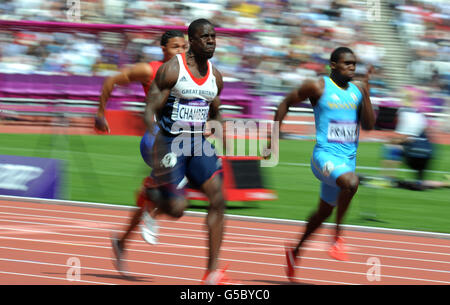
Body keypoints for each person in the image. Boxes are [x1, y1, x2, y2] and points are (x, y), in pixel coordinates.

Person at [123, 18, 234, 285]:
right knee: (176, 209)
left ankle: (212, 271)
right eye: (205, 37)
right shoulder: (173, 70)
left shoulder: (215, 77)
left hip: (197, 144)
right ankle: (152, 194)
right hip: (171, 142)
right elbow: (150, 108)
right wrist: (154, 134)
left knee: (218, 199)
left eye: (214, 37)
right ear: (192, 41)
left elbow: (216, 114)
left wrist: (215, 127)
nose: (211, 41)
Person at [272, 47, 375, 281]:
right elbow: (286, 102)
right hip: (324, 158)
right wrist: (273, 137)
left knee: (323, 213)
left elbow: (368, 125)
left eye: (354, 64)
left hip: (347, 161)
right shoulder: (318, 86)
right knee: (351, 183)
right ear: (333, 65)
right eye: (347, 63)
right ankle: (338, 236)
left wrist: (367, 92)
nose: (352, 67)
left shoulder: (357, 91)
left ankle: (294, 251)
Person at [94, 30, 187, 259]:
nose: (181, 52)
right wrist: (100, 113)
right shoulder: (149, 70)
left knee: (179, 197)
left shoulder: (189, 73)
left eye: (184, 47)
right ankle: (151, 196)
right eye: (176, 47)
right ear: (163, 49)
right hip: (155, 139)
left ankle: (122, 242)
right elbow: (111, 79)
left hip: (179, 141)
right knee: (173, 191)